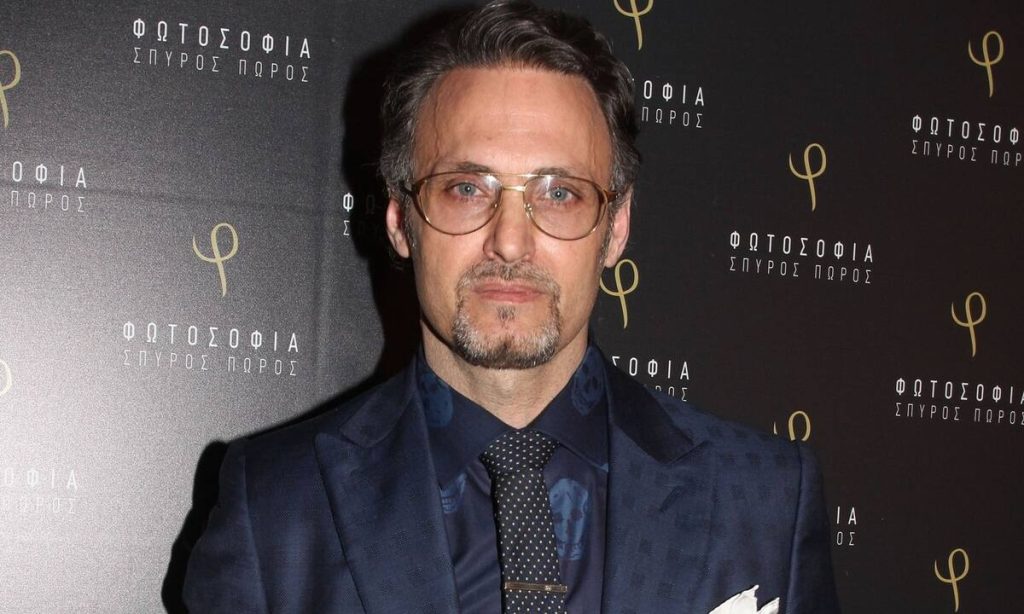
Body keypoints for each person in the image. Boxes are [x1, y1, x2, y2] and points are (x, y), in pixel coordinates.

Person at [183, 1, 840, 612]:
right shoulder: (275, 507)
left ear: (615, 228)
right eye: (467, 188)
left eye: (559, 193)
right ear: (400, 219)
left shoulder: (764, 498)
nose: (510, 240)